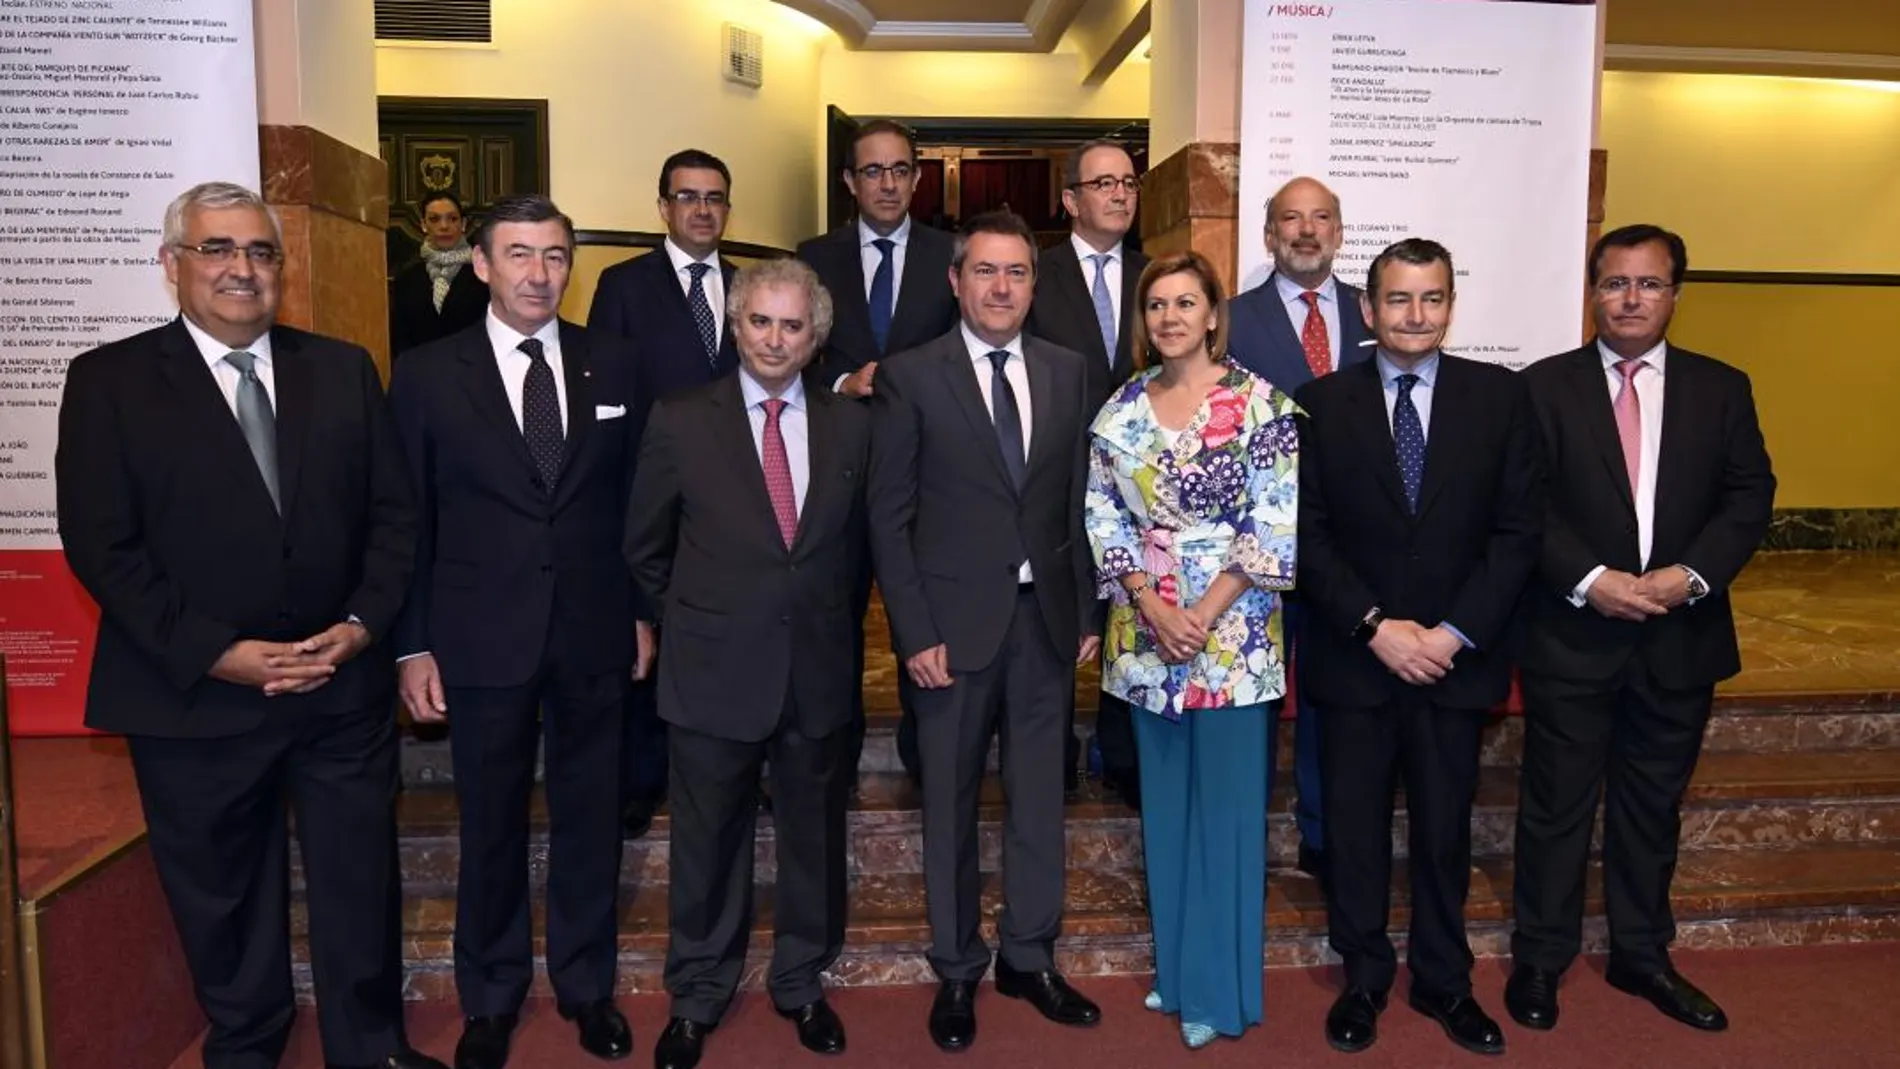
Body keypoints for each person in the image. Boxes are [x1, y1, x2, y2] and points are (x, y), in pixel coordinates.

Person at [55, 181, 441, 1069]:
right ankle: (248, 1041)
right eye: (217, 249)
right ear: (172, 266)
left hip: (337, 685)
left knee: (357, 883)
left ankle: (369, 1045)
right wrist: (216, 653)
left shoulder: (343, 368)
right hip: (195, 697)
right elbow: (103, 547)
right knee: (223, 896)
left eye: (261, 252)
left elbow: (394, 520)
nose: (242, 269)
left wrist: (360, 626)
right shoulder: (110, 382)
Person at [387, 194, 651, 1069]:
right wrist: (413, 642)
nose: (540, 274)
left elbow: (640, 509)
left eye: (555, 256)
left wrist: (644, 611)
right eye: (521, 255)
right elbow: (406, 518)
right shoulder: (427, 374)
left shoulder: (615, 365)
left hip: (593, 631)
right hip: (477, 635)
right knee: (489, 823)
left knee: (590, 819)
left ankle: (586, 986)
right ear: (483, 264)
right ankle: (490, 999)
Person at [1506, 224, 1775, 1035]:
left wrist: (1688, 576)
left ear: (1675, 294)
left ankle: (1643, 955)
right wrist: (1593, 580)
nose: (1630, 298)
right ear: (1593, 291)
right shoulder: (1540, 388)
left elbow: (1748, 497)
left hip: (1678, 637)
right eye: (1615, 282)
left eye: (1648, 284)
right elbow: (1525, 507)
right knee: (1555, 809)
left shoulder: (1722, 387)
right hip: (1571, 633)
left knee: (1653, 808)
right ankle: (1541, 958)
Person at [1294, 238, 1542, 1056]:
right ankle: (1363, 975)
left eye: (1431, 298)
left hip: (1453, 660)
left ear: (1450, 306)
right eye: (1398, 299)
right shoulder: (1319, 403)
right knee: (1356, 833)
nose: (1416, 314)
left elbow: (1515, 534)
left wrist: (1448, 633)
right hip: (1357, 659)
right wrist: (1376, 627)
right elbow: (1308, 536)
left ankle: (1443, 979)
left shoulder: (1500, 398)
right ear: (1368, 311)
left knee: (1444, 832)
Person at [866, 210, 1102, 1053]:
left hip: (1045, 624)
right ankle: (958, 966)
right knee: (953, 806)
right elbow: (889, 518)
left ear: (1035, 287)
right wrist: (913, 629)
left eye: (1018, 274)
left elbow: (1079, 500)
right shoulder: (910, 375)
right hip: (951, 632)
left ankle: (1028, 956)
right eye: (986, 272)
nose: (1002, 288)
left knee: (1041, 797)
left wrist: (1085, 610)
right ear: (956, 281)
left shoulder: (1071, 371)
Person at [626, 258, 868, 1069]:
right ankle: (697, 994)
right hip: (711, 671)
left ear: (815, 337)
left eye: (791, 325)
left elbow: (857, 552)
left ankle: (802, 981)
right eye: (759, 321)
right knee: (707, 844)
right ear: (736, 326)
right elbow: (646, 547)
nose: (774, 338)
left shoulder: (850, 424)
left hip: (818, 672)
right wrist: (699, 621)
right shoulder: (681, 418)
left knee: (813, 841)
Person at [1084, 251, 1299, 1048]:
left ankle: (1219, 990)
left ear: (1214, 313)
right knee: (1166, 815)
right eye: (1156, 305)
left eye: (1186, 302)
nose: (1170, 317)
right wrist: (1148, 602)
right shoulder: (1121, 408)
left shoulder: (1261, 405)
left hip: (1232, 639)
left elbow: (1272, 525)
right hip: (1145, 641)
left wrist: (1199, 615)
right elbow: (1101, 515)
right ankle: (1176, 972)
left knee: (1229, 819)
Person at [797, 118, 959, 781]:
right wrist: (841, 382)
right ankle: (832, 755)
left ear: (918, 178)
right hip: (837, 464)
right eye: (873, 171)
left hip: (929, 474)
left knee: (923, 616)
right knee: (831, 621)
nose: (887, 183)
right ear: (848, 182)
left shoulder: (953, 254)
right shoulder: (813, 257)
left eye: (900, 170)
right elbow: (783, 355)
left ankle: (931, 758)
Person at [587, 148, 741, 839]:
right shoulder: (623, 286)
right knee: (647, 638)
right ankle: (639, 781)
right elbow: (602, 391)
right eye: (688, 197)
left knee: (731, 639)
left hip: (738, 501)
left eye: (714, 197)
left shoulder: (751, 287)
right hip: (649, 490)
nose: (702, 209)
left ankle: (738, 770)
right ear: (663, 208)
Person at [1226, 175, 1372, 884]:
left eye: (1321, 219)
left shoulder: (1376, 313)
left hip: (1348, 546)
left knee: (1330, 698)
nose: (1306, 231)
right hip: (1255, 546)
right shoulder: (1228, 319)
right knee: (1253, 697)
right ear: (1269, 234)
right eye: (1291, 218)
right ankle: (1241, 833)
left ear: (1340, 233)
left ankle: (1322, 830)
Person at [1027, 137, 1151, 807]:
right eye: (1104, 183)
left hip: (1137, 492)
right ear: (1071, 198)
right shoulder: (1034, 274)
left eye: (1128, 183)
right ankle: (1050, 757)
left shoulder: (1157, 277)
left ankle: (1121, 754)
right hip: (1051, 481)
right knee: (1054, 625)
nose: (1120, 194)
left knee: (1128, 621)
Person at [390, 190, 490, 356]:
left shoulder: (485, 275)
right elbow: (400, 339)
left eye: (452, 219)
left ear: (463, 224)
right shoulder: (407, 279)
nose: (444, 226)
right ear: (423, 224)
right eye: (434, 219)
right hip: (422, 373)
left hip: (474, 371)